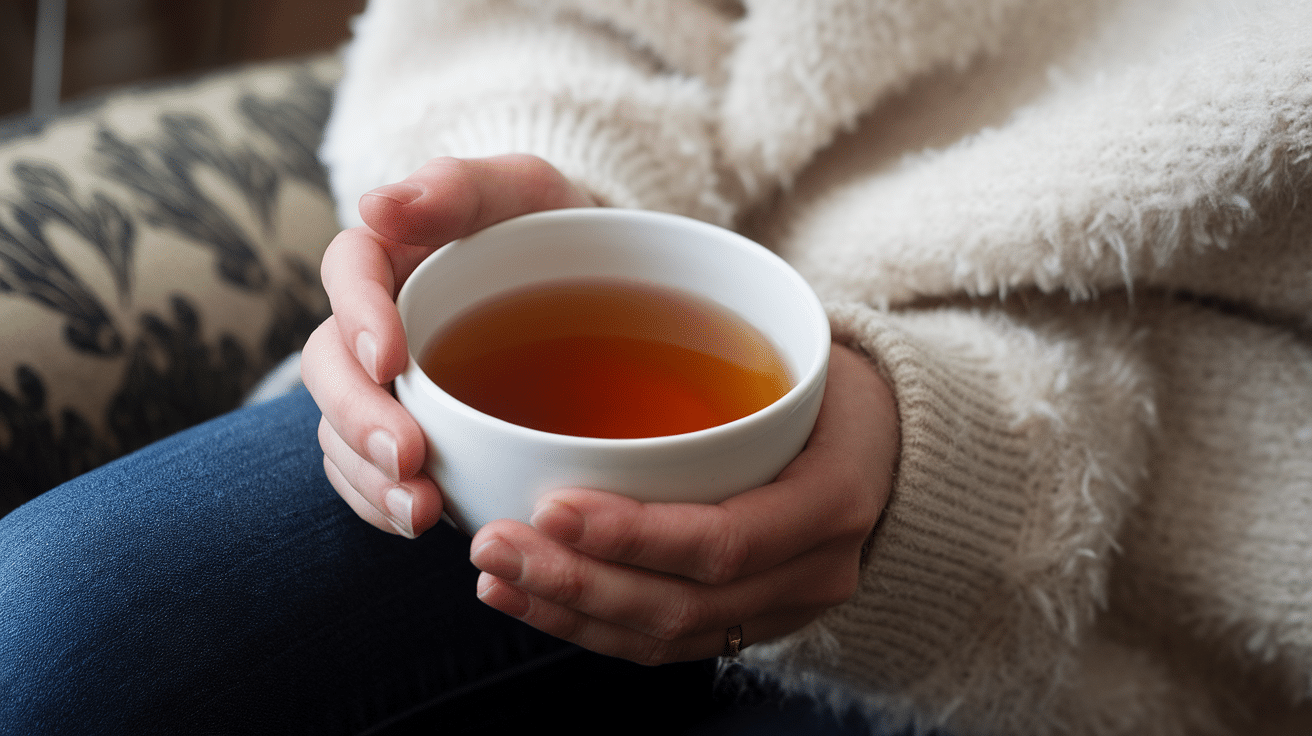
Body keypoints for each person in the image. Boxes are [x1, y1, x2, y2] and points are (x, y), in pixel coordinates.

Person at [2, 0, 1310, 734]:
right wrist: (547, 186)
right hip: (534, 419)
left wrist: (966, 478)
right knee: (54, 639)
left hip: (1134, 632)